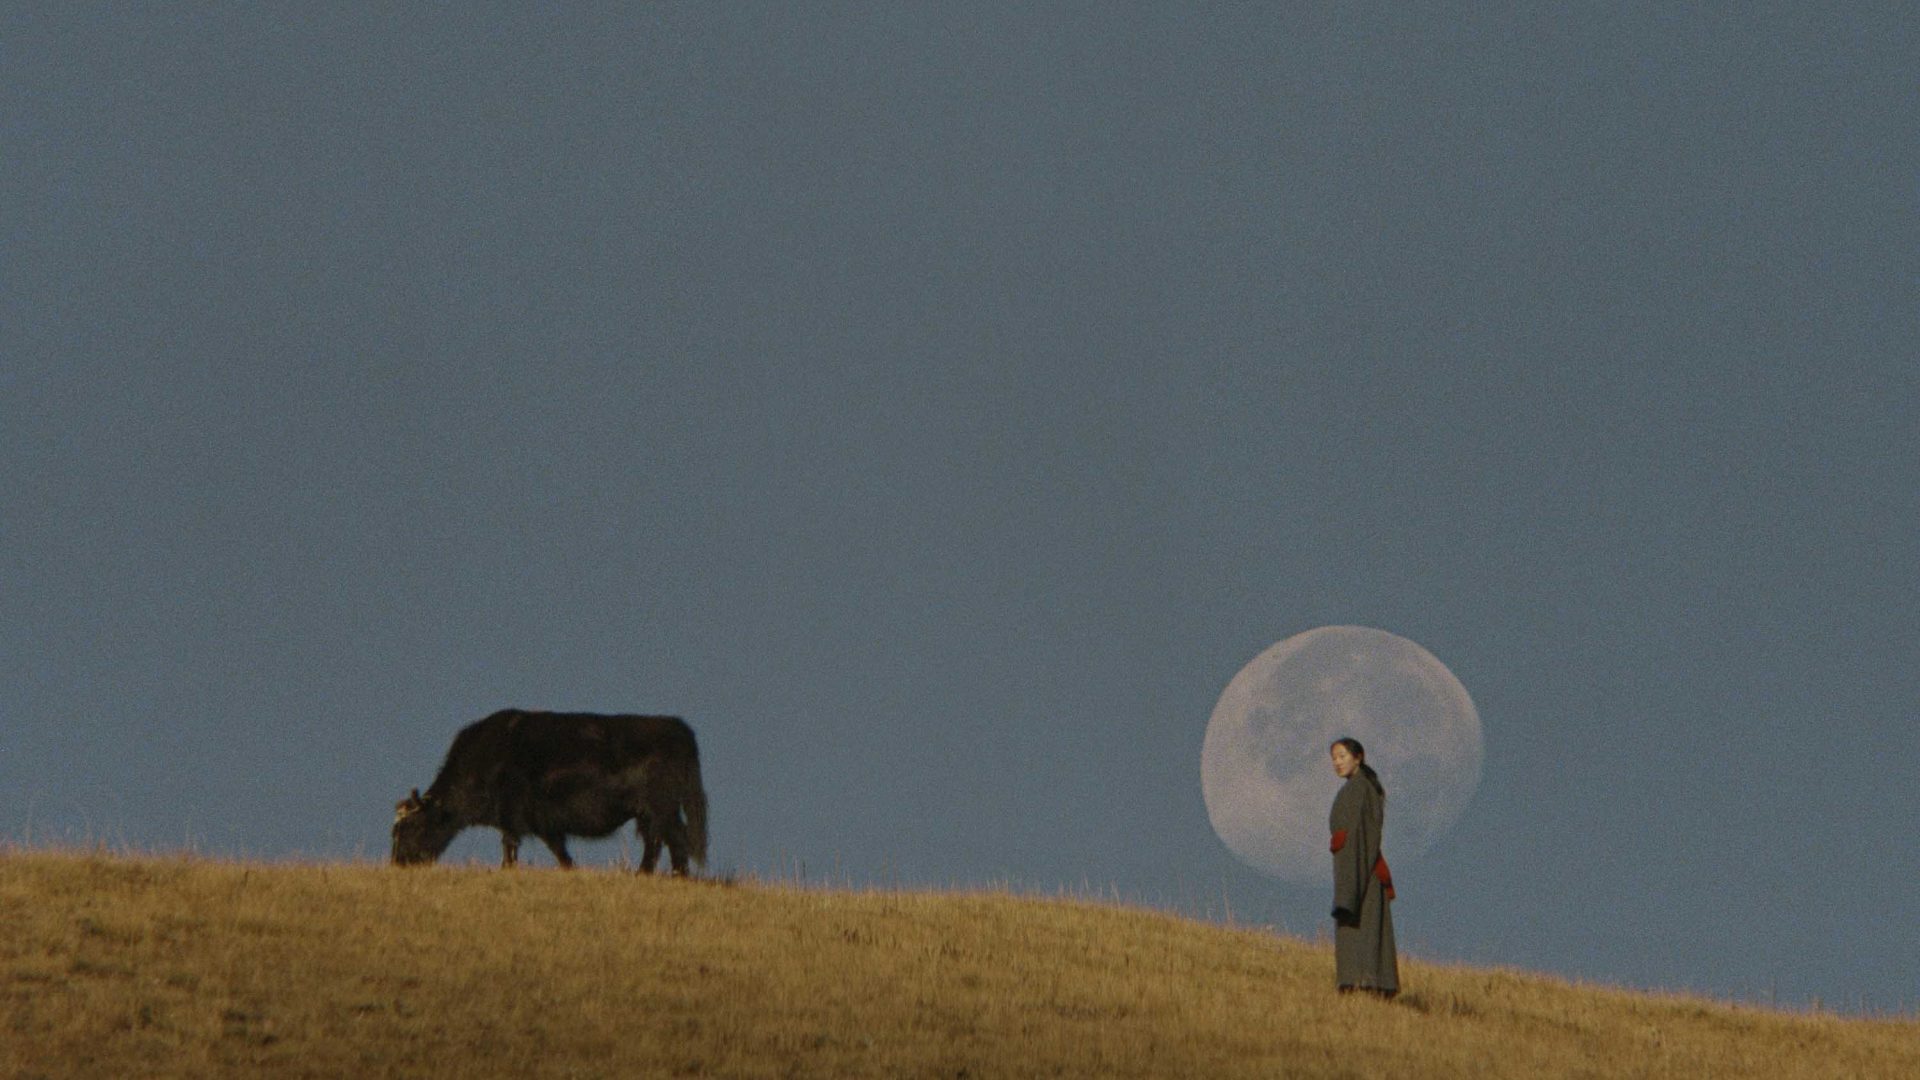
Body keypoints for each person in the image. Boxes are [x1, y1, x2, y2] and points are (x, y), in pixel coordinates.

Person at [1329, 736, 1398, 998]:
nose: (1337, 762)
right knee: (1358, 929)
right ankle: (1357, 982)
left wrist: (1349, 886)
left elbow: (1358, 835)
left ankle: (1367, 982)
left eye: (1342, 756)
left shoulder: (1361, 789)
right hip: (1353, 869)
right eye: (1334, 758)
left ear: (1358, 758)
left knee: (1365, 928)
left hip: (1362, 872)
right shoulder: (1357, 789)